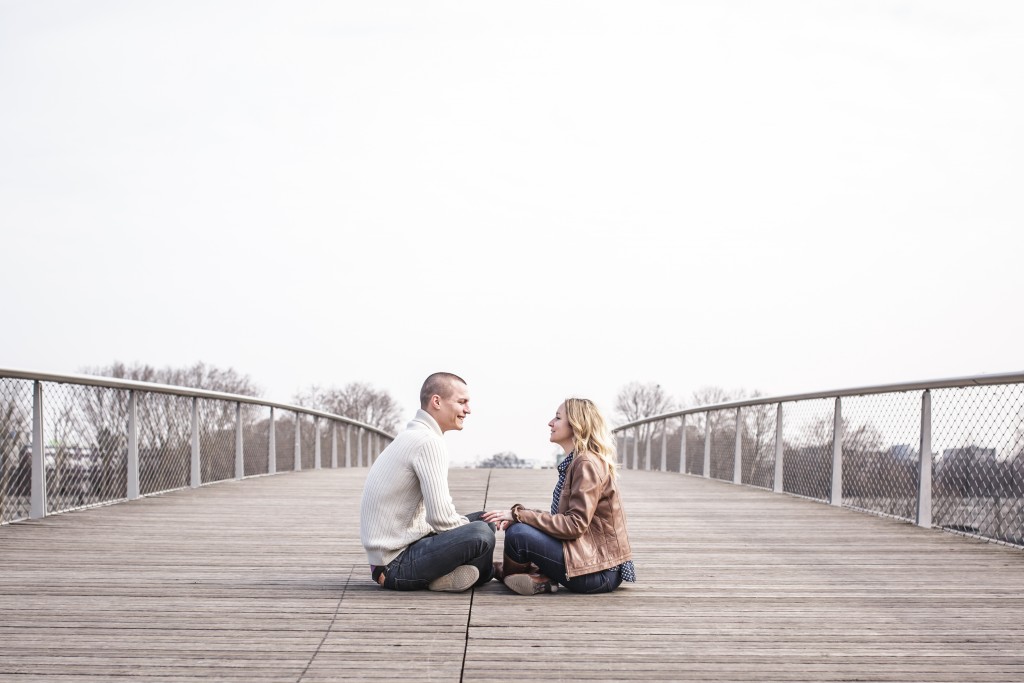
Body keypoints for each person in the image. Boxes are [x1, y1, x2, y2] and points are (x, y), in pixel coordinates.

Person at [483, 397, 636, 595]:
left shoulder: (586, 464)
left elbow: (574, 525)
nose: (550, 423)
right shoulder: (578, 462)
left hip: (599, 573)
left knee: (518, 535)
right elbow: (566, 520)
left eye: (557, 418)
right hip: (590, 561)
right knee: (519, 527)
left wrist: (519, 516)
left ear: (576, 425)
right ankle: (541, 578)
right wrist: (520, 515)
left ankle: (498, 571)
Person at [359, 372, 496, 592]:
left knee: (486, 520)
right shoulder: (428, 442)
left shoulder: (414, 435)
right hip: (395, 565)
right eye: (462, 402)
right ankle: (492, 572)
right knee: (481, 533)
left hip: (395, 552)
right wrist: (471, 530)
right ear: (437, 402)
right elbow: (441, 519)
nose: (468, 410)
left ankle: (446, 577)